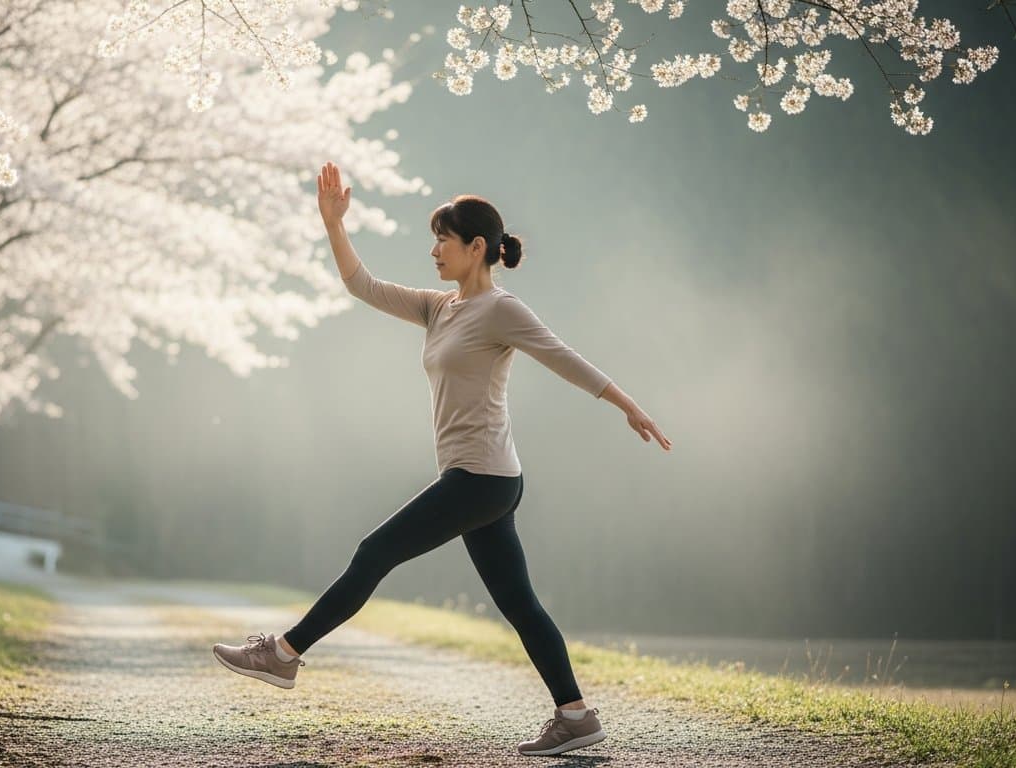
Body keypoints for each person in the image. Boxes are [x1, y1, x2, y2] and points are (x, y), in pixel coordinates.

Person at [213, 161, 673, 757]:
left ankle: (282, 654)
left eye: (443, 240)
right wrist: (333, 226)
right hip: (486, 480)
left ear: (476, 247)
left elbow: (563, 356)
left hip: (480, 479)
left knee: (373, 552)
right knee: (520, 606)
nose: (433, 250)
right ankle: (577, 716)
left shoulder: (502, 310)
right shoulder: (440, 307)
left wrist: (626, 404)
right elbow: (363, 285)